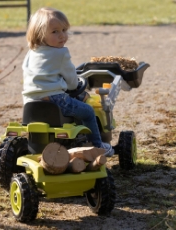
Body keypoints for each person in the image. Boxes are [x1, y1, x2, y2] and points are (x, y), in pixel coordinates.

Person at [22, 7, 114, 157]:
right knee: (88, 111)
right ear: (40, 34)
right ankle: (98, 146)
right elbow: (71, 82)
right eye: (55, 32)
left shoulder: (32, 53)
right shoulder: (61, 53)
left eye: (64, 30)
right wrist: (77, 84)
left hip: (31, 102)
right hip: (55, 99)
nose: (62, 36)